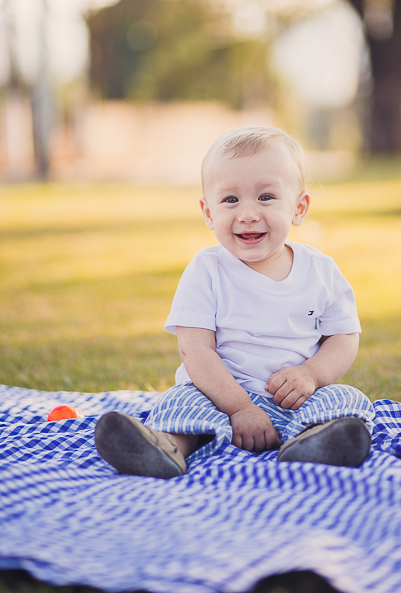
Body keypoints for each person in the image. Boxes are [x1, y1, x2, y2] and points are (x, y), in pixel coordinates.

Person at [95, 126, 374, 478]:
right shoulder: (206, 270)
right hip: (219, 396)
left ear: (299, 207)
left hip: (297, 398)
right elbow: (195, 352)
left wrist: (311, 375)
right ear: (208, 212)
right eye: (230, 200)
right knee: (180, 400)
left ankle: (311, 444)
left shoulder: (321, 271)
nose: (247, 214)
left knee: (347, 400)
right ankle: (165, 449)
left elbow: (344, 336)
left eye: (266, 197)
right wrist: (239, 407)